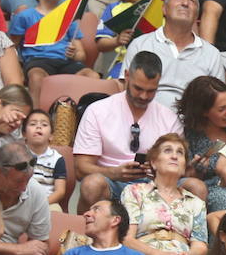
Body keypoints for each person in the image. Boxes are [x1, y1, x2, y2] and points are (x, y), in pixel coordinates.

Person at [72, 51, 182, 212]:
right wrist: (114, 173)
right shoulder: (98, 110)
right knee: (92, 184)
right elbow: (81, 168)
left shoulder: (169, 118)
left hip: (156, 185)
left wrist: (158, 171)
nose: (144, 96)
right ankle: (87, 236)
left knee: (195, 186)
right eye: (138, 88)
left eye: (151, 91)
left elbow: (179, 166)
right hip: (111, 182)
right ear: (127, 76)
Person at [121, 133, 208, 255]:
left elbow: (201, 245)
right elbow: (126, 239)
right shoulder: (135, 192)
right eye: (168, 151)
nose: (175, 156)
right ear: (153, 162)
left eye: (180, 153)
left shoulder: (195, 202)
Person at [8, 0, 98, 102]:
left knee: (93, 76)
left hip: (66, 62)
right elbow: (11, 47)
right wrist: (18, 70)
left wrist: (75, 54)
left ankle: (84, 117)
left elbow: (81, 55)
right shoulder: (25, 16)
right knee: (36, 76)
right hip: (38, 61)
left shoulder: (69, 19)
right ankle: (35, 116)